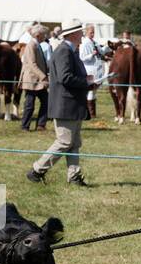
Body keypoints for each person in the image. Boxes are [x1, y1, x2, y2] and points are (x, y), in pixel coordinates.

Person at [27, 22, 89, 186]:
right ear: (73, 35)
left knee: (74, 143)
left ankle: (74, 176)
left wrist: (88, 82)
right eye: (80, 33)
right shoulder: (64, 51)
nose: (82, 35)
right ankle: (37, 169)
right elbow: (65, 77)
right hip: (65, 105)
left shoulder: (70, 51)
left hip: (72, 104)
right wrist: (86, 82)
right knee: (64, 142)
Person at [18, 25, 50, 131]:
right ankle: (25, 126)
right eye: (43, 34)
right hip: (31, 80)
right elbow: (32, 64)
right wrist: (43, 76)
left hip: (38, 81)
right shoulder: (31, 45)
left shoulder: (37, 45)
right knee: (29, 104)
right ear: (37, 35)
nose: (45, 36)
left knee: (46, 101)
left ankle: (41, 125)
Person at [79, 24, 104, 119]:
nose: (92, 34)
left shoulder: (94, 42)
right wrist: (91, 55)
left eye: (93, 32)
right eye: (91, 32)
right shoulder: (84, 43)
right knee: (90, 92)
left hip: (96, 70)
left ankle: (93, 113)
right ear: (86, 32)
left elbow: (101, 51)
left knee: (93, 92)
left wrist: (107, 48)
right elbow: (82, 57)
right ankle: (90, 113)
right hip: (89, 70)